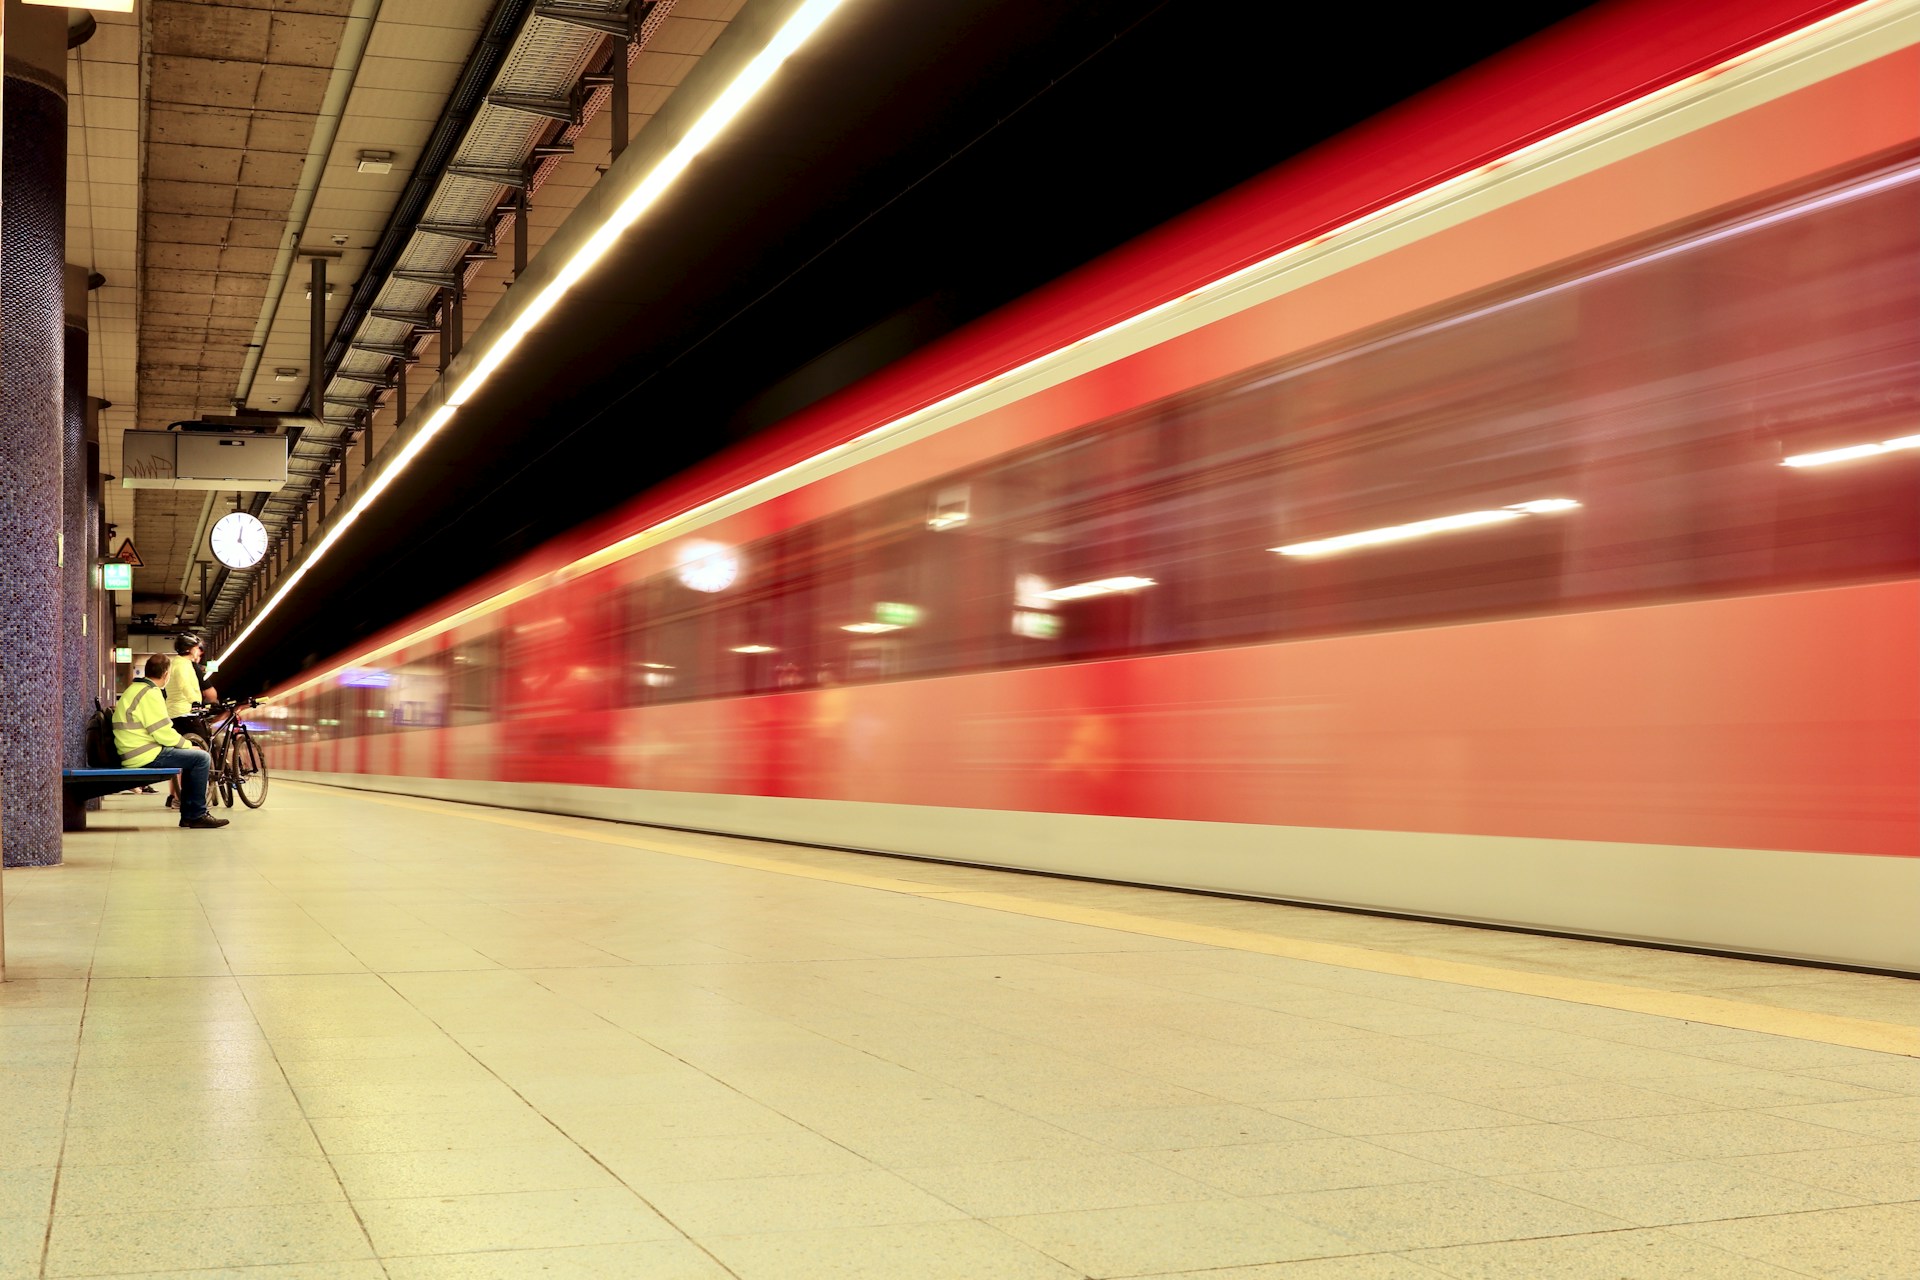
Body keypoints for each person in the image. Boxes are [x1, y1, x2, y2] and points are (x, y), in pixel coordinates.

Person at [113, 653, 228, 830]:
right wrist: (189, 746)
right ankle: (196, 815)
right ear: (166, 674)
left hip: (133, 750)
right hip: (143, 754)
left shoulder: (135, 689)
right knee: (201, 758)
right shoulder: (151, 693)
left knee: (194, 758)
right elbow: (162, 733)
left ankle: (190, 815)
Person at [163, 634, 217, 810]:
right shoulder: (184, 665)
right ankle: (193, 802)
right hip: (186, 715)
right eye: (197, 647)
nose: (198, 651)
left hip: (174, 714)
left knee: (186, 755)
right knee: (201, 755)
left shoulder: (174, 663)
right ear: (190, 648)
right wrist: (197, 702)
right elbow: (187, 687)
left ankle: (181, 798)